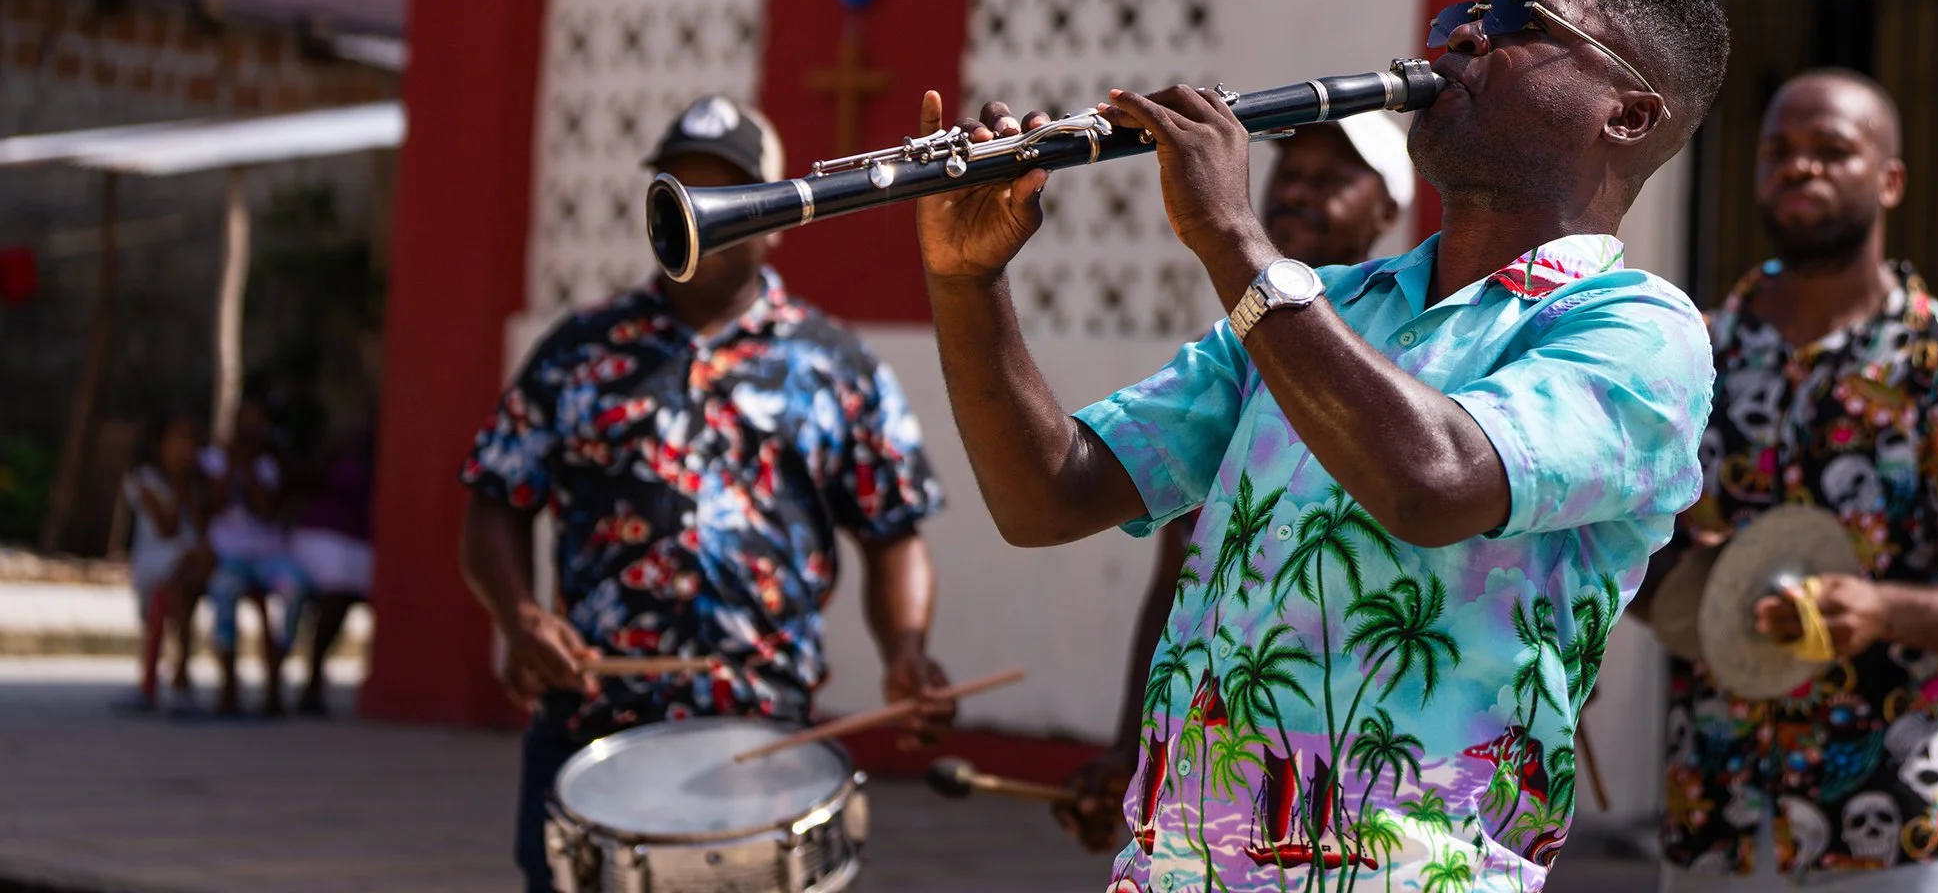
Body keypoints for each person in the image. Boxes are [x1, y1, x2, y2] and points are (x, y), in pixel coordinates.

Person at [917, 0, 1729, 891]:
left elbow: (1431, 485)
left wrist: (1232, 236)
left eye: (1517, 21)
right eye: (1463, 16)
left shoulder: (1639, 333)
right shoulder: (1321, 305)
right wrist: (969, 281)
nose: (1464, 38)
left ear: (1629, 115)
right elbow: (1046, 499)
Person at [459, 95, 958, 893]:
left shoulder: (835, 362)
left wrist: (905, 651)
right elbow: (496, 498)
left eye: (721, 193)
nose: (694, 212)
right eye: (675, 188)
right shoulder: (579, 350)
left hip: (764, 744)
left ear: (772, 215)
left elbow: (894, 529)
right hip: (594, 734)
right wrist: (520, 619)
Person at [1636, 70, 1938, 889]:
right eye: (1779, 152)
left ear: (1890, 179)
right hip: (1718, 809)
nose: (1800, 168)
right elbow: (1631, 560)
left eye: (1832, 150)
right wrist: (1689, 577)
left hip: (1891, 819)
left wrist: (1882, 609)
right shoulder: (1693, 354)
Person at [1057, 112, 1415, 851]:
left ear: (1388, 211)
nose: (1299, 193)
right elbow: (1175, 576)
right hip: (1207, 800)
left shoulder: (1409, 370)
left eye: (1333, 179)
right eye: (1291, 174)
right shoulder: (1234, 348)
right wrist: (1131, 748)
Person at [201, 395, 305, 717]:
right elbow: (211, 506)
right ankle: (228, 680)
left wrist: (247, 469)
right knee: (223, 590)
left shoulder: (270, 465)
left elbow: (267, 511)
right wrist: (230, 465)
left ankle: (276, 670)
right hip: (229, 556)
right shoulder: (212, 461)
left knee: (294, 588)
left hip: (267, 556)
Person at [122, 412, 212, 711]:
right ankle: (174, 679)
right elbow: (166, 528)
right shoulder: (143, 481)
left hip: (190, 564)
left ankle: (180, 678)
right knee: (174, 591)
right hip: (157, 559)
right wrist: (177, 485)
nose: (184, 447)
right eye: (176, 439)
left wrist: (189, 486)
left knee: (184, 583)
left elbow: (201, 526)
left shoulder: (201, 480)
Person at [287, 421, 374, 716]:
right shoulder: (340, 451)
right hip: (322, 537)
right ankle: (313, 678)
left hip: (361, 542)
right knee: (338, 587)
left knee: (351, 584)